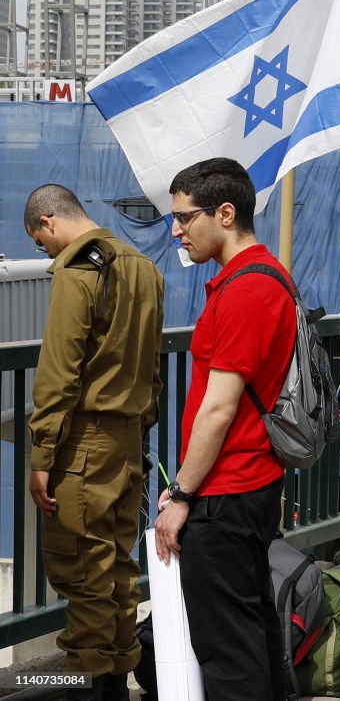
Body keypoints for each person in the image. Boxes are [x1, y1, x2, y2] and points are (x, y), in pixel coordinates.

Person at [154, 158, 293, 700]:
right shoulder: (268, 275)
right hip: (250, 482)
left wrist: (183, 493)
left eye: (185, 218)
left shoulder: (243, 292)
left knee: (227, 649)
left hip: (226, 491)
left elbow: (218, 409)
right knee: (253, 626)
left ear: (225, 213)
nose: (177, 230)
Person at [24, 184, 163, 701]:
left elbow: (58, 372)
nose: (46, 251)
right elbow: (152, 369)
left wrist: (42, 456)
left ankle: (86, 689)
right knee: (119, 572)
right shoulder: (143, 267)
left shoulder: (80, 271)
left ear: (48, 221)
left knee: (82, 574)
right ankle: (114, 687)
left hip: (82, 446)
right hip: (129, 443)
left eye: (41, 242)